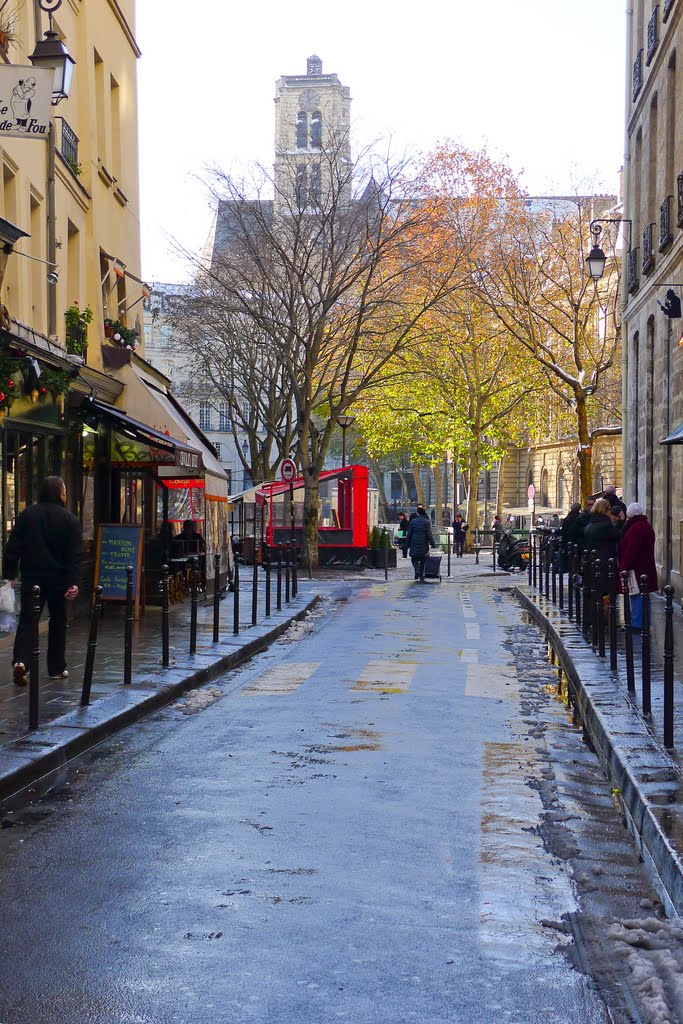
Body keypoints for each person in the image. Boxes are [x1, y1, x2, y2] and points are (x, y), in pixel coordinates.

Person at [2, 476, 82, 686]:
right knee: (57, 622)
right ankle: (56, 667)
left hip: (32, 578)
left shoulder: (27, 515)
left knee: (28, 621)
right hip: (59, 581)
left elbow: (12, 548)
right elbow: (73, 556)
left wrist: (9, 575)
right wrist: (73, 582)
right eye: (64, 492)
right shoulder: (70, 520)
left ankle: (21, 661)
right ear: (60, 494)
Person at [618, 502, 657, 629]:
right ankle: (644, 622)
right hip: (645, 566)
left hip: (637, 567)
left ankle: (637, 623)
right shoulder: (645, 525)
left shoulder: (636, 528)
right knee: (643, 594)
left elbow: (631, 550)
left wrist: (624, 566)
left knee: (637, 594)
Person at [582, 497, 619, 597]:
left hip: (592, 563)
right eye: (609, 509)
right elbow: (618, 537)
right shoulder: (607, 525)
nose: (611, 511)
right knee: (606, 596)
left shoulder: (590, 525)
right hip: (606, 564)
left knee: (596, 595)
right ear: (604, 510)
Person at [406, 505, 435, 581]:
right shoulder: (427, 522)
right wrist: (432, 543)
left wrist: (407, 544)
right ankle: (421, 575)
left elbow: (409, 534)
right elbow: (429, 534)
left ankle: (416, 571)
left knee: (414, 559)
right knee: (423, 560)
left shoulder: (413, 522)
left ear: (418, 513)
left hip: (414, 543)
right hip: (424, 544)